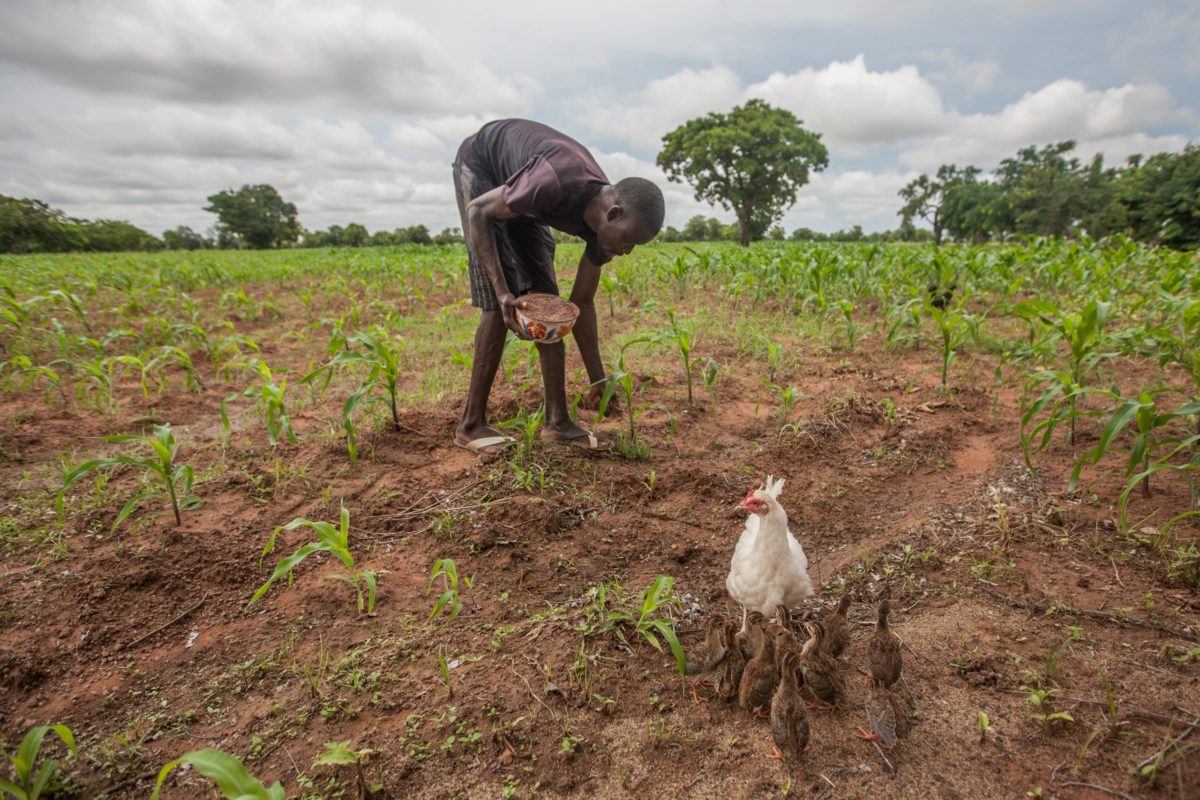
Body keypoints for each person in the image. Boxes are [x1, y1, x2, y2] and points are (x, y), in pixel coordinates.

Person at [452, 119, 665, 454]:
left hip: (526, 200)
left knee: (549, 306)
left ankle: (558, 422)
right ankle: (471, 425)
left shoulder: (605, 236)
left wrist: (598, 379)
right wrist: (503, 289)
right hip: (483, 170)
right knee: (499, 305)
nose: (628, 251)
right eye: (629, 240)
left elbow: (582, 302)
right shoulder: (554, 178)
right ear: (613, 214)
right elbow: (479, 210)